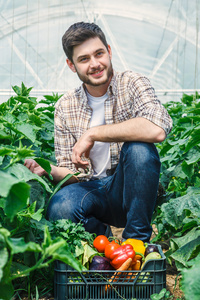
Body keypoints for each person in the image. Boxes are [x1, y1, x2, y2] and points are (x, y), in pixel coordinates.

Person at [25, 22, 172, 242]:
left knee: (139, 148)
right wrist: (48, 170)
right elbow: (73, 175)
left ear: (109, 51)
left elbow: (157, 129)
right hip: (92, 189)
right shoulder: (65, 106)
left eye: (99, 54)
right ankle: (105, 245)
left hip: (130, 190)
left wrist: (92, 133)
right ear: (71, 65)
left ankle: (136, 243)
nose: (95, 64)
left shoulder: (132, 83)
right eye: (84, 59)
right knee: (60, 208)